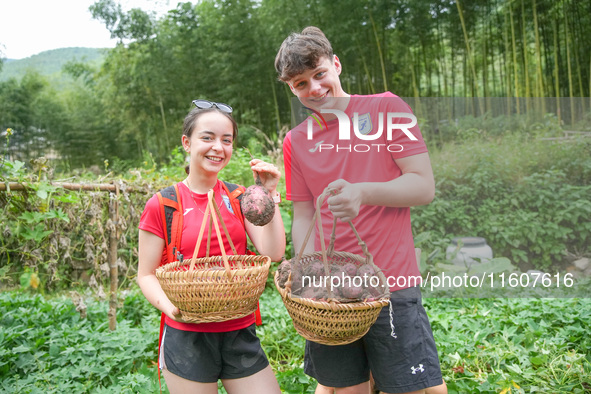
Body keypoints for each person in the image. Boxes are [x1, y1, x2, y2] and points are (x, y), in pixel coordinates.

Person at [275, 27, 448, 394]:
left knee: (415, 387)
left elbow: (423, 185)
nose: (315, 89)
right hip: (330, 292)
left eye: (319, 74)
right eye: (300, 84)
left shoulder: (386, 108)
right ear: (291, 88)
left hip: (392, 282)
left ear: (335, 64)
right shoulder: (296, 141)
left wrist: (363, 193)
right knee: (344, 387)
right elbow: (304, 215)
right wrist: (307, 281)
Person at [137, 99, 285, 394]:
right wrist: (170, 307)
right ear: (186, 142)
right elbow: (146, 274)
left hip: (238, 329)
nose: (218, 147)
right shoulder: (164, 203)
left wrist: (267, 195)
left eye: (226, 140)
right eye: (207, 137)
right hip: (186, 335)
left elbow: (274, 252)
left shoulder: (239, 197)